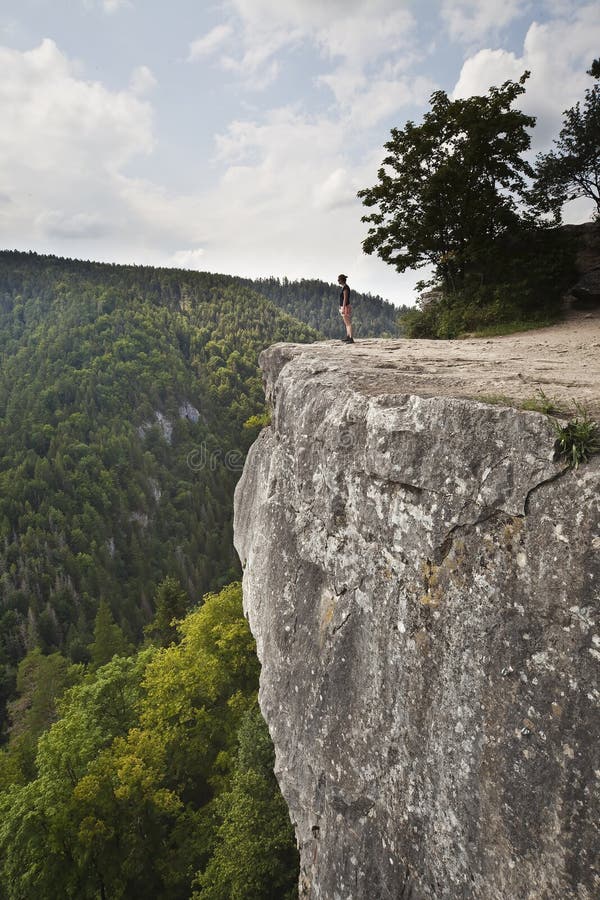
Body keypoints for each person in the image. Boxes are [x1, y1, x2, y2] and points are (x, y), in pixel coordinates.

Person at [338, 273, 354, 343]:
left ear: (342, 280)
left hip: (346, 306)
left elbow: (345, 299)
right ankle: (348, 336)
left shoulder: (345, 288)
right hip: (344, 306)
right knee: (346, 323)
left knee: (348, 323)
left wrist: (343, 308)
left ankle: (351, 338)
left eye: (339, 280)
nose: (338, 281)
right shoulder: (344, 287)